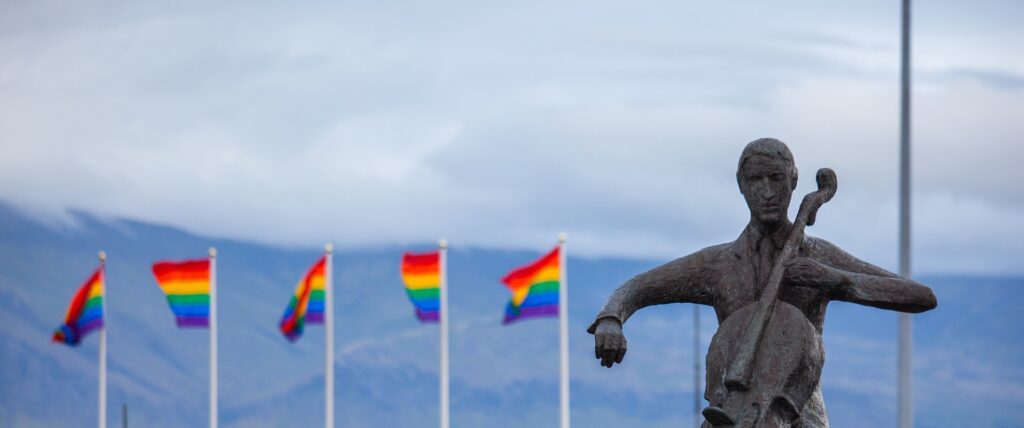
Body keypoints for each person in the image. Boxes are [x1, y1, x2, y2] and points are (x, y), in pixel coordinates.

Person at [588, 138, 937, 427]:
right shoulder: (718, 264)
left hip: (797, 413)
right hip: (729, 411)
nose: (767, 192)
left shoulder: (818, 256)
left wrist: (838, 280)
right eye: (756, 181)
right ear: (741, 185)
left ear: (794, 181)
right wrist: (611, 319)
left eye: (776, 179)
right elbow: (636, 288)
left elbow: (920, 296)